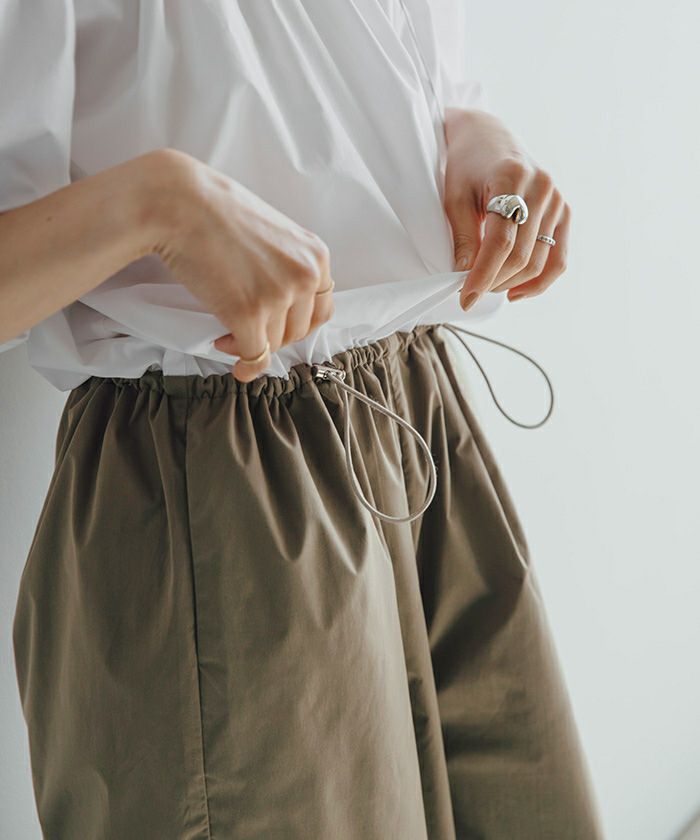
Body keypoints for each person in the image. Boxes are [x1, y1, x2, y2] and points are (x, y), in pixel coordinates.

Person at [0, 1, 603, 838]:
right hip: (215, 489)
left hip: (421, 417)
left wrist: (474, 140)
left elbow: (396, 77)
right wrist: (158, 205)